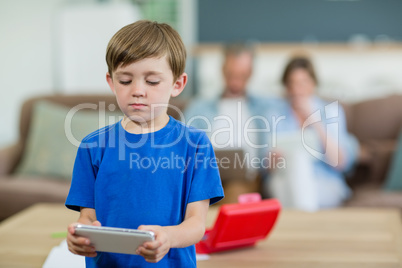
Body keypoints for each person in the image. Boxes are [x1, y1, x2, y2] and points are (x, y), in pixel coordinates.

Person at [65, 20, 224, 267]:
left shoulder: (195, 144)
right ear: (111, 82)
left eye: (152, 81)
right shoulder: (92, 146)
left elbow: (196, 225)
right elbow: (88, 216)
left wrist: (167, 237)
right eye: (126, 81)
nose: (138, 90)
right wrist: (80, 234)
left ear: (177, 84)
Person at [264, 55, 358, 210]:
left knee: (299, 168)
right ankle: (306, 221)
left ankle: (300, 219)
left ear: (313, 84)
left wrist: (315, 122)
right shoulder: (274, 115)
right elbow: (266, 170)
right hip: (283, 179)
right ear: (285, 87)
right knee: (293, 167)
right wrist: (273, 161)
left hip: (323, 181)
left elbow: (340, 162)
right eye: (291, 84)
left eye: (302, 83)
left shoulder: (331, 111)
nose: (296, 90)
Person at [184, 43, 273, 203]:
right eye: (231, 74)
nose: (236, 81)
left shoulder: (265, 108)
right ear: (223, 70)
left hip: (245, 179)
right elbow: (184, 144)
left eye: (242, 75)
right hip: (203, 177)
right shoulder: (200, 107)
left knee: (234, 193)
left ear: (251, 73)